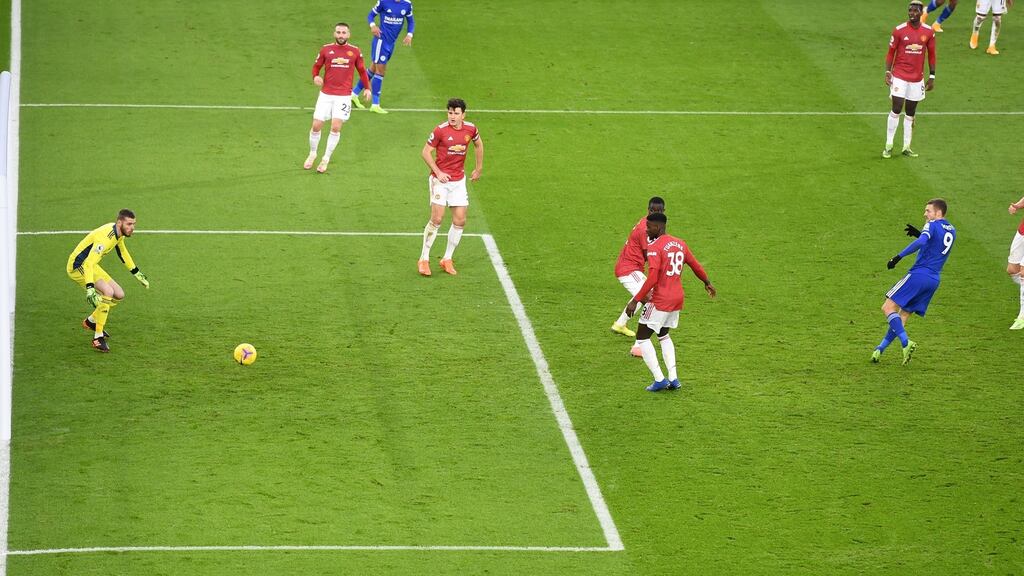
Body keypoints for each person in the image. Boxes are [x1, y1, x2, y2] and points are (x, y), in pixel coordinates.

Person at [624, 213, 716, 392]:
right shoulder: (680, 243)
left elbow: (652, 278)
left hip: (661, 299)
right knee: (663, 334)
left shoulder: (655, 247)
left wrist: (635, 301)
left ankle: (659, 379)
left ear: (658, 227)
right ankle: (673, 378)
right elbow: (695, 265)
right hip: (677, 298)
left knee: (642, 337)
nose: (646, 230)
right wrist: (707, 282)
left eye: (649, 227)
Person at [872, 199, 956, 364]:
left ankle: (906, 342)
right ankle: (879, 350)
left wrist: (897, 257)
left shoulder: (931, 225)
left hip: (919, 275)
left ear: (938, 213)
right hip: (933, 280)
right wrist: (919, 233)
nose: (925, 214)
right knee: (902, 318)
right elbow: (936, 245)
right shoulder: (952, 230)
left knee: (888, 307)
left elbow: (922, 242)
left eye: (928, 211)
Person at [66, 209, 150, 353]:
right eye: (129, 224)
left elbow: (123, 253)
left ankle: (91, 321)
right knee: (108, 291)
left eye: (134, 224)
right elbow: (88, 265)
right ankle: (97, 338)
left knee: (119, 294)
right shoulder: (105, 239)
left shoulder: (119, 233)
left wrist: (137, 273)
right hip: (78, 266)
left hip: (90, 264)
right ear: (119, 223)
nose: (132, 227)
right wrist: (90, 288)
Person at [417, 98, 483, 277]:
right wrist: (438, 172)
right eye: (450, 112)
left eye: (456, 113)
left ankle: (447, 258)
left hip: (458, 181)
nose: (452, 116)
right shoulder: (440, 130)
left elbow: (478, 144)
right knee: (437, 219)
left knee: (460, 220)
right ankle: (423, 259)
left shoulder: (471, 129)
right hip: (441, 181)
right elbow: (425, 152)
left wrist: (478, 168)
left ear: (463, 114)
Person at [304, 22, 372, 174]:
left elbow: (362, 71)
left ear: (349, 35)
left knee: (335, 127)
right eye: (338, 32)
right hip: (326, 94)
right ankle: (312, 153)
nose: (341, 35)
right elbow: (316, 66)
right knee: (316, 125)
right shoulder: (326, 49)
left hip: (343, 96)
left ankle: (325, 158)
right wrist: (315, 77)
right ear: (334, 34)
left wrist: (367, 88)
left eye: (344, 33)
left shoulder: (354, 51)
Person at [611, 197, 666, 357]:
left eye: (659, 212)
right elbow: (648, 253)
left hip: (632, 267)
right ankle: (638, 346)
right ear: (648, 211)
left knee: (642, 295)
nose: (656, 214)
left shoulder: (651, 225)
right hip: (628, 269)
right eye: (653, 211)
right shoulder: (645, 228)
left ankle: (620, 324)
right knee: (650, 298)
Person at [883, 0, 936, 159]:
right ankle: (889, 144)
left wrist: (932, 76)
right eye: (910, 11)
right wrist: (887, 71)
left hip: (917, 79)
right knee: (897, 108)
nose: (911, 13)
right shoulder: (899, 30)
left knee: (911, 112)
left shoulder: (928, 32)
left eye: (915, 11)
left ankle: (906, 146)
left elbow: (932, 55)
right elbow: (891, 52)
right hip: (899, 75)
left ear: (921, 12)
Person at [352, 0, 415, 114]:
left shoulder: (407, 4)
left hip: (391, 43)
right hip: (381, 41)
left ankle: (353, 94)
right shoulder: (383, 2)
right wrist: (373, 26)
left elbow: (411, 21)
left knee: (372, 69)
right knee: (380, 72)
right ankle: (375, 104)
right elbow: (371, 15)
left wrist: (410, 34)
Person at [1006, 195, 1024, 329]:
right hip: (1022, 231)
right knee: (1012, 270)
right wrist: (1018, 205)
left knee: (1023, 272)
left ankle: (1022, 317)